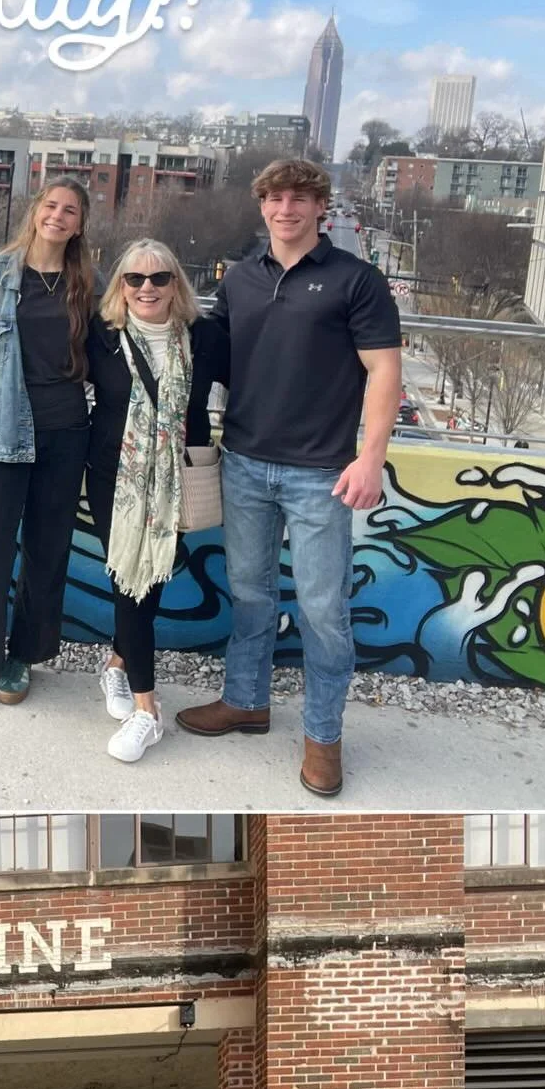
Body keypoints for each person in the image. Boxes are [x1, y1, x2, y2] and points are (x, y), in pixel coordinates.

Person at [176, 159, 402, 797]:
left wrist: (371, 457)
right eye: (275, 198)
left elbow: (384, 372)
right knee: (249, 592)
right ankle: (245, 701)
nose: (286, 209)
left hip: (321, 474)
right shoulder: (242, 278)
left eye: (300, 198)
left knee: (324, 610)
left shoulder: (356, 281)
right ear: (262, 207)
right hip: (243, 461)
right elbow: (205, 351)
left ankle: (324, 738)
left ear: (320, 207)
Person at [0, 178, 95, 708]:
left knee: (47, 550)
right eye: (51, 206)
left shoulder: (88, 282)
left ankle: (22, 656)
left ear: (80, 224)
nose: (58, 216)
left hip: (66, 432)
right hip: (2, 431)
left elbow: (111, 347)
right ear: (36, 212)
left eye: (71, 210)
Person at [86, 241, 229, 763]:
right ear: (120, 286)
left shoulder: (206, 337)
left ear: (177, 284)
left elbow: (253, 386)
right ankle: (149, 712)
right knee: (132, 583)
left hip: (177, 481)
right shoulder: (101, 337)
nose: (147, 288)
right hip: (112, 479)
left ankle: (118, 666)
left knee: (153, 582)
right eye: (134, 279)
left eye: (159, 278)